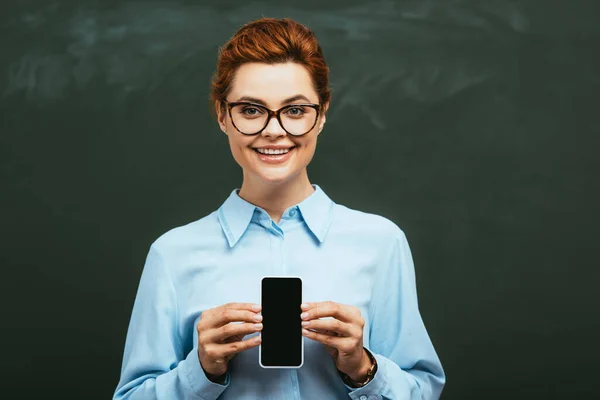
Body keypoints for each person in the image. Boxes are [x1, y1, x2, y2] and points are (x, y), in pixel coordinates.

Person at [113, 17, 445, 400]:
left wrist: (363, 367)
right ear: (223, 115)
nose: (274, 130)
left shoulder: (382, 242)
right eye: (251, 110)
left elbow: (424, 392)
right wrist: (200, 368)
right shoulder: (171, 255)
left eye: (295, 110)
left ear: (321, 115)